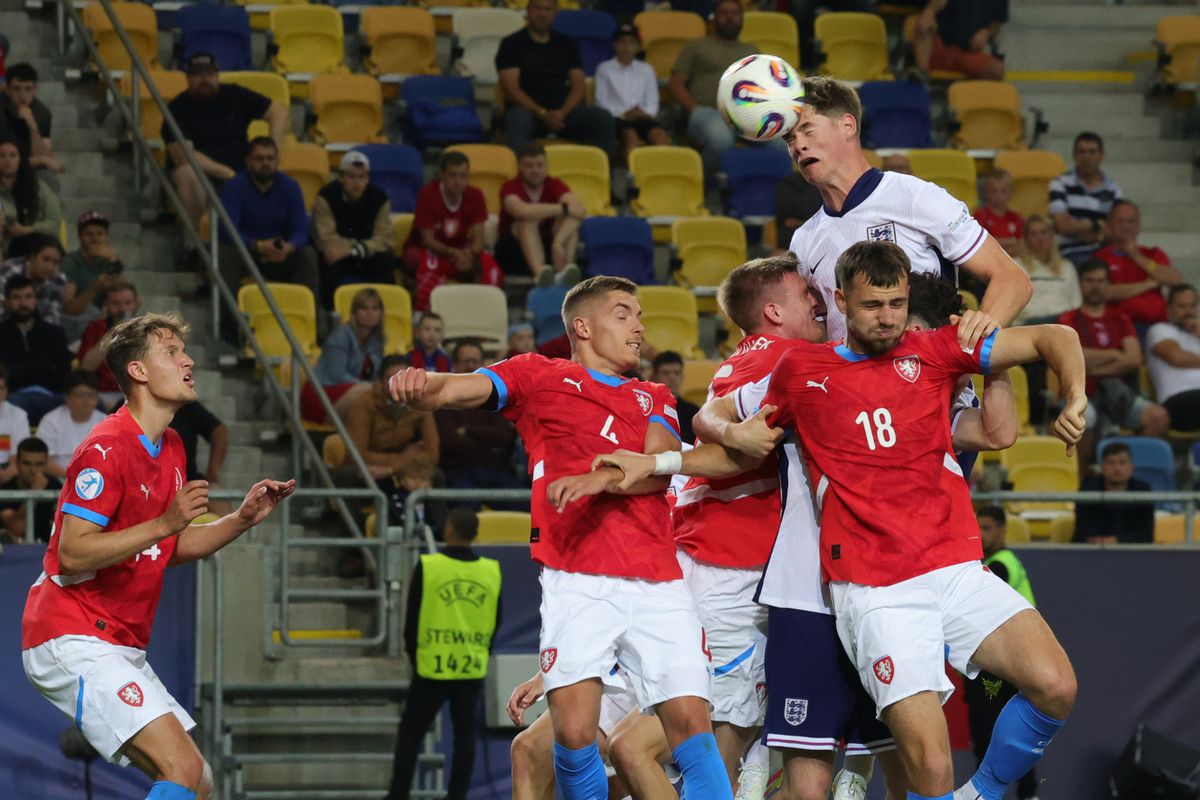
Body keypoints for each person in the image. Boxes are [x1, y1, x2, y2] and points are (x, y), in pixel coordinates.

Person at [596, 262, 1022, 800]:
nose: (823, 302)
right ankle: (769, 759)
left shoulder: (916, 384)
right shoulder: (804, 367)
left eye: (902, 318)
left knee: (899, 754)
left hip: (894, 581)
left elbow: (998, 430)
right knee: (847, 760)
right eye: (810, 294)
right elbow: (723, 430)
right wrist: (692, 451)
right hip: (807, 584)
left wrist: (989, 357)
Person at [388, 276, 733, 800]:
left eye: (640, 315)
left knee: (690, 723)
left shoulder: (654, 395)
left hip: (659, 582)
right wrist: (420, 386)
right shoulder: (537, 376)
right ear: (582, 326)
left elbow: (660, 468)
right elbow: (457, 388)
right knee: (572, 735)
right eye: (624, 314)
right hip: (577, 580)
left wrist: (601, 478)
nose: (639, 327)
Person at [22, 312, 294, 800]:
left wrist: (241, 519)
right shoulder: (105, 448)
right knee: (183, 769)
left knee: (200, 784)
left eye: (183, 352)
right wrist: (165, 523)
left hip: (118, 641)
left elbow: (165, 549)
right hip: (71, 632)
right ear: (138, 372)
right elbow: (74, 553)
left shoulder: (170, 445)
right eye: (171, 352)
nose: (188, 360)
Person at [782, 76, 1033, 342]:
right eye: (790, 138)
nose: (799, 146)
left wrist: (972, 347)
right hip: (851, 384)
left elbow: (1012, 279)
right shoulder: (803, 240)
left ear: (847, 125)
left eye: (808, 130)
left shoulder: (915, 196)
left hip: (933, 382)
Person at [387, 507, 501, 800]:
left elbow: (411, 620)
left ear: (448, 530)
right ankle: (457, 796)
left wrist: (415, 655)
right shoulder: (491, 571)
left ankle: (398, 795)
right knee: (464, 739)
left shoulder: (430, 566)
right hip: (471, 666)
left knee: (411, 734)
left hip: (431, 666)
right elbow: (495, 619)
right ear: (476, 534)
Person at [164, 52, 287, 235]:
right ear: (188, 78)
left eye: (210, 74)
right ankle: (197, 244)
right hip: (205, 178)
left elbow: (277, 110)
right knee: (186, 173)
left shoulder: (233, 94)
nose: (205, 79)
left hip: (243, 173)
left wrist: (273, 149)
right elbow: (184, 155)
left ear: (217, 75)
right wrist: (227, 174)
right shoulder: (177, 107)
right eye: (198, 74)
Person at [1056, 259, 1169, 458]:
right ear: (1081, 284)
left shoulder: (1120, 319)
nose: (1095, 286)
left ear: (1108, 284)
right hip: (1079, 392)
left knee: (1158, 417)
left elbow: (1134, 359)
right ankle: (1083, 481)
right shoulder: (1068, 319)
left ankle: (1124, 469)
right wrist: (1116, 355)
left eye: (1100, 281)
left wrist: (1091, 367)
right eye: (1090, 281)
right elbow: (1071, 357)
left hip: (1118, 392)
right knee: (1084, 417)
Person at [964, 507, 1039, 800]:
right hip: (998, 666)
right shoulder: (997, 563)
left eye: (988, 527)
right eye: (977, 527)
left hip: (1000, 669)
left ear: (1003, 530)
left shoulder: (998, 566)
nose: (982, 534)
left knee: (994, 739)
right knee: (1003, 739)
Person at [495, 0, 617, 159]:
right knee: (517, 121)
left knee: (603, 119)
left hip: (563, 115)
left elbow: (579, 86)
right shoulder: (511, 44)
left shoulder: (567, 43)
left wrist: (561, 113)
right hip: (529, 113)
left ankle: (597, 176)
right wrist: (542, 113)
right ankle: (521, 179)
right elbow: (511, 90)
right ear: (528, 11)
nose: (542, 14)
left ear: (555, 13)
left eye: (548, 9)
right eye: (537, 8)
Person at [217, 137, 320, 310]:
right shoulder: (234, 187)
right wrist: (257, 245)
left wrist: (289, 247)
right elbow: (228, 231)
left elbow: (301, 230)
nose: (265, 163)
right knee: (225, 255)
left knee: (307, 256)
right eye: (259, 158)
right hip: (247, 252)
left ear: (278, 161)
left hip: (280, 253)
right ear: (248, 162)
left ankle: (307, 319)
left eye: (270, 158)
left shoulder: (291, 186)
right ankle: (231, 324)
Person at [402, 150, 500, 313]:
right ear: (442, 175)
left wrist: (469, 254)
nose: (458, 181)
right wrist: (453, 253)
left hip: (460, 252)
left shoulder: (475, 195)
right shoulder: (428, 194)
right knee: (422, 261)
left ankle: (485, 311)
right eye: (453, 175)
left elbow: (478, 239)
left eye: (463, 176)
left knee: (489, 264)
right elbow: (427, 240)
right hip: (430, 251)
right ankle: (428, 315)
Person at [669, 0, 758, 176]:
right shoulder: (696, 47)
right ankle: (707, 186)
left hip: (744, 113)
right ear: (714, 18)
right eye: (724, 13)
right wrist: (693, 109)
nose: (730, 18)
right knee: (720, 140)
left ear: (741, 18)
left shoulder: (752, 51)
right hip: (707, 111)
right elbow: (675, 82)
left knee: (780, 143)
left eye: (734, 13)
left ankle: (760, 191)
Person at [344, 354, 440, 511]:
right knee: (347, 476)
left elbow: (432, 454)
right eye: (391, 378)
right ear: (381, 381)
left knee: (437, 476)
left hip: (401, 471)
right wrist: (405, 459)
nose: (398, 384)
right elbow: (355, 455)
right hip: (371, 471)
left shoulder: (422, 404)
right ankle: (357, 533)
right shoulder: (363, 405)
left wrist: (392, 469)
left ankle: (437, 531)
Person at [434, 341, 521, 496]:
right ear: (454, 365)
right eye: (466, 361)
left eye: (475, 361)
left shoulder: (497, 396)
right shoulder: (443, 399)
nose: (471, 365)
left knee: (524, 505)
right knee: (466, 511)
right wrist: (489, 445)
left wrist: (468, 430)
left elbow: (505, 435)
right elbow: (451, 442)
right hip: (460, 472)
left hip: (496, 471)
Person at [311, 151, 396, 308]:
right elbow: (326, 240)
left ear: (368, 178)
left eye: (361, 177)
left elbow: (385, 240)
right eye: (351, 177)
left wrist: (353, 249)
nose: (356, 183)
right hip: (338, 255)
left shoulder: (380, 198)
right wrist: (359, 246)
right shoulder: (326, 197)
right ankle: (331, 314)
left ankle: (386, 310)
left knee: (385, 259)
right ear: (341, 177)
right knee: (328, 259)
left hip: (363, 253)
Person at [495, 143, 585, 286]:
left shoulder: (554, 184)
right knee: (526, 221)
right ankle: (541, 277)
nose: (535, 170)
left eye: (539, 165)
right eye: (529, 166)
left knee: (568, 222)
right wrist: (563, 208)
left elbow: (579, 211)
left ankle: (564, 273)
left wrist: (558, 241)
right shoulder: (510, 187)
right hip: (513, 253)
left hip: (548, 249)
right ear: (519, 167)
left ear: (546, 166)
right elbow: (522, 211)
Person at [302, 286, 387, 424]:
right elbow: (336, 375)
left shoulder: (377, 341)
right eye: (364, 308)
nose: (370, 313)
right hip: (322, 393)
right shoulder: (341, 335)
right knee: (372, 392)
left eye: (375, 308)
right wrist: (370, 386)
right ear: (355, 312)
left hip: (356, 391)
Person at [1093, 199, 1183, 329]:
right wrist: (1149, 284)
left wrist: (1137, 256)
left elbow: (1175, 280)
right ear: (1109, 225)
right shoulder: (1100, 257)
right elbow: (1105, 292)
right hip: (1119, 327)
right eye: (1120, 221)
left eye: (1131, 221)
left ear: (1138, 225)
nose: (1126, 226)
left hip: (1156, 325)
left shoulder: (1152, 253)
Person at [0, 274, 72, 424]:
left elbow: (63, 374)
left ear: (35, 300)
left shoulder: (54, 333)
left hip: (52, 396)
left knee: (91, 404)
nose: (23, 303)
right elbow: (4, 374)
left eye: (28, 297)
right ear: (7, 302)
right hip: (13, 397)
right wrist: (43, 368)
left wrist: (17, 370)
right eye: (16, 298)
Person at [595, 24, 670, 160]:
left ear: (638, 47)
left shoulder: (646, 69)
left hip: (642, 116)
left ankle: (660, 174)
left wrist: (645, 113)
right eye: (622, 42)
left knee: (660, 136)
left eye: (631, 43)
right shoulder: (604, 69)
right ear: (614, 45)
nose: (626, 46)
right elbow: (601, 102)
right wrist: (623, 114)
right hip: (617, 119)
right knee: (630, 136)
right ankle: (633, 177)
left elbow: (653, 100)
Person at [1048, 132, 1123, 265]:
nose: (1086, 157)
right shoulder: (1059, 184)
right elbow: (1063, 226)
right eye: (1081, 152)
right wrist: (1097, 225)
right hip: (1068, 253)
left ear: (1101, 156)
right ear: (1074, 155)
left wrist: (1076, 228)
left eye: (1092, 152)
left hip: (1103, 253)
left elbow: (1114, 231)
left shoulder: (1113, 190)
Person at [61, 210, 125, 342]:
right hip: (74, 323)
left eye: (99, 234)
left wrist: (115, 262)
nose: (95, 239)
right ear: (79, 237)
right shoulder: (70, 262)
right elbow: (68, 310)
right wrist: (94, 288)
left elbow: (125, 296)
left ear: (106, 236)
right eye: (88, 234)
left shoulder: (109, 261)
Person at [1073, 441, 1154, 544]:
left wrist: (1116, 540)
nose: (1117, 468)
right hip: (1091, 552)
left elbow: (1146, 534)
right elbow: (1083, 531)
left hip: (1131, 553)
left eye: (1122, 463)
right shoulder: (1087, 490)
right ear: (1102, 468)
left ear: (1131, 468)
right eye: (1111, 463)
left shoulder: (1143, 491)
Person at [78, 281, 140, 410]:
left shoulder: (146, 330)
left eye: (128, 303)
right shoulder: (95, 328)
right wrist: (114, 331)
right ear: (107, 305)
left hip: (138, 393)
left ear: (136, 304)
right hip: (103, 395)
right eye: (116, 304)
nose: (122, 309)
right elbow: (85, 367)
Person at [1146, 284, 1200, 431]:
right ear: (1169, 308)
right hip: (1179, 400)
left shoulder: (1197, 334)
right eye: (1182, 306)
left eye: (1192, 306)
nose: (1188, 312)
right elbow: (1177, 358)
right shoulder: (1160, 330)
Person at [2, 63, 64, 190]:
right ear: (7, 90)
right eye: (17, 89)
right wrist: (42, 159)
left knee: (49, 179)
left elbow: (45, 155)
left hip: (24, 168)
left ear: (35, 90)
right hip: (4, 165)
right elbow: (6, 162)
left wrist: (33, 126)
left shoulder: (42, 113)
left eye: (28, 89)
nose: (23, 95)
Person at [36, 370, 107, 479]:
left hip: (98, 482)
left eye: (91, 395)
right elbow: (44, 460)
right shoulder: (51, 421)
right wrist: (75, 478)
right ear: (67, 397)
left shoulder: (106, 423)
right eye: (81, 395)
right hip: (58, 480)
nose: (86, 400)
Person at [911, 0, 1006, 80]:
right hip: (939, 46)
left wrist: (987, 32)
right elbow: (935, 5)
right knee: (924, 25)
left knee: (996, 70)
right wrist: (929, 12)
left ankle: (977, 98)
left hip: (968, 53)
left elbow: (996, 26)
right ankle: (922, 75)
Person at [0, 136, 62, 257]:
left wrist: (27, 230)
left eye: (13, 155)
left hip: (38, 247)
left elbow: (54, 223)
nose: (7, 160)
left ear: (20, 160)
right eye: (2, 156)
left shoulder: (39, 187)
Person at [169, 400, 231, 518]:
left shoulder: (186, 407)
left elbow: (219, 432)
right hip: (152, 484)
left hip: (188, 481)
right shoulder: (127, 411)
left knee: (219, 501)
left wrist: (212, 475)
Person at [1014, 215, 1079, 325]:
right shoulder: (1016, 265)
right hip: (1030, 323)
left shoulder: (1067, 267)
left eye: (1044, 232)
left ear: (1052, 236)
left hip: (1062, 323)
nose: (1040, 238)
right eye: (1034, 234)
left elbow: (1076, 303)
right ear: (1026, 238)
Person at [0, 232, 72, 327]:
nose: (50, 267)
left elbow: (53, 317)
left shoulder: (58, 279)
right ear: (32, 257)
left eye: (55, 262)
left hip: (37, 331)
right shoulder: (9, 271)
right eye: (45, 259)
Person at [0, 436, 61, 543]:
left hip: (48, 549)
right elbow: (17, 529)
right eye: (27, 464)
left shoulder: (55, 486)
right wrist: (35, 491)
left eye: (39, 464)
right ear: (17, 463)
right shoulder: (6, 489)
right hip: (16, 552)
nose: (33, 470)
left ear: (46, 464)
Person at [649, 351, 699, 443]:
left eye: (677, 373)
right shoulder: (646, 408)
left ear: (682, 377)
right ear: (653, 377)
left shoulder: (693, 412)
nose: (672, 377)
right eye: (666, 373)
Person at [973, 169, 1023, 259]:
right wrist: (1008, 242)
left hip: (1014, 261)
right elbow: (981, 243)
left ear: (1011, 192)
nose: (999, 196)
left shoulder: (1016, 218)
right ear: (986, 193)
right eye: (994, 191)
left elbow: (1022, 244)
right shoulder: (980, 215)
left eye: (1003, 191)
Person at [0, 363, 31, 483]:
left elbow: (20, 455)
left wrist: (7, 473)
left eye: (0, 388)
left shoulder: (18, 415)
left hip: (10, 471)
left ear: (6, 390)